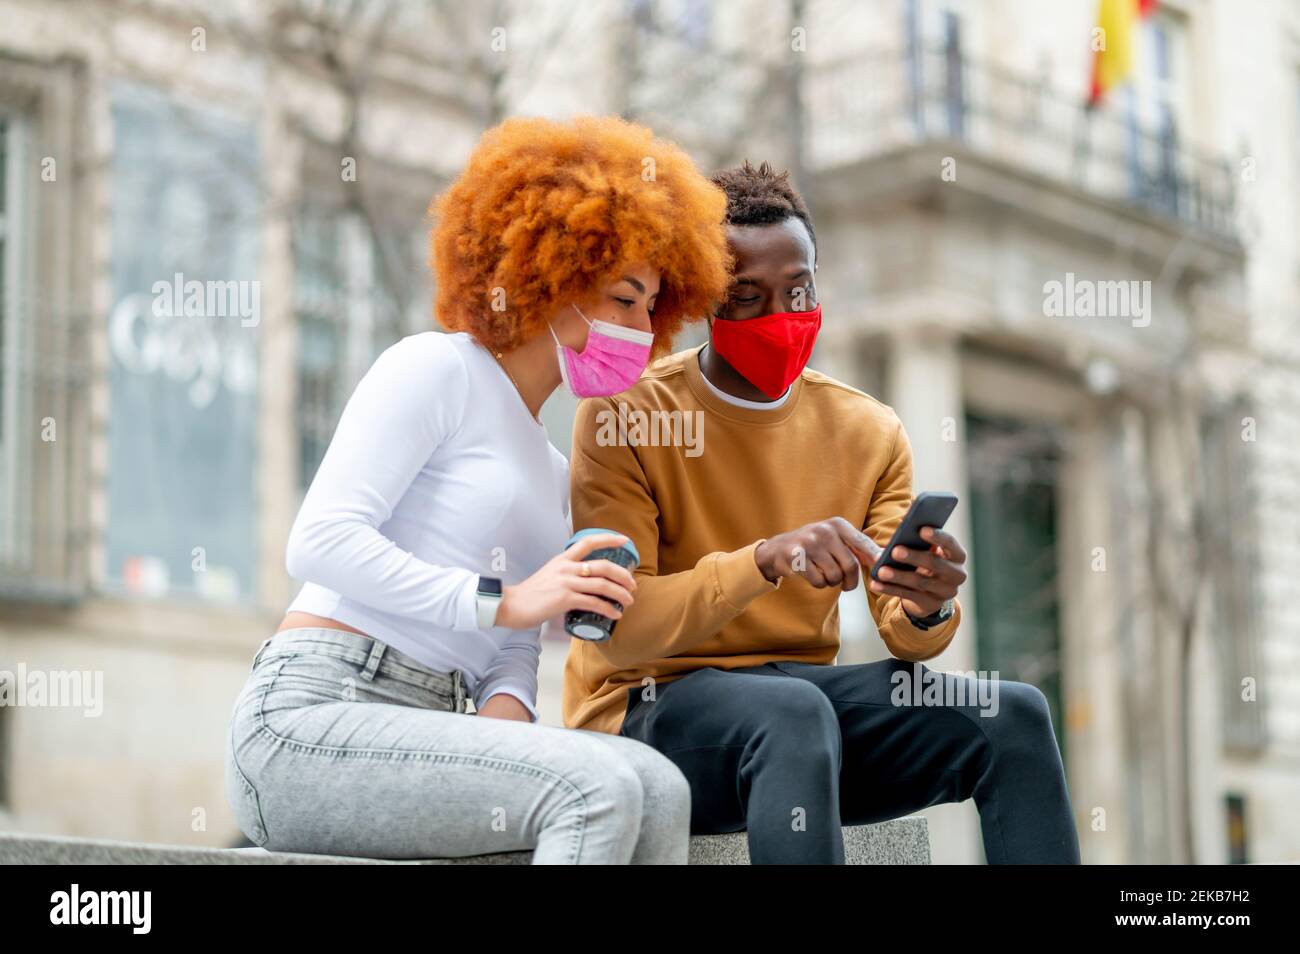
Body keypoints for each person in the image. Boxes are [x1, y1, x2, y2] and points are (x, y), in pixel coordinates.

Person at [224, 116, 731, 864]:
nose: (642, 326)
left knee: (657, 788)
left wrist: (512, 752)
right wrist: (505, 598)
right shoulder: (436, 369)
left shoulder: (557, 472)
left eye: (654, 308)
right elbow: (321, 541)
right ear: (553, 277)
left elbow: (508, 660)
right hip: (312, 712)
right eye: (625, 298)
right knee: (598, 788)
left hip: (434, 725)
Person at [563, 160, 1081, 864]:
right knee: (792, 713)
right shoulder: (626, 413)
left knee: (1013, 714)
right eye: (746, 297)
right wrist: (764, 560)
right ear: (703, 302)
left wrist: (925, 605)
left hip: (802, 715)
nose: (779, 317)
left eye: (798, 290)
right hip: (649, 710)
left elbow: (907, 634)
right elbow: (621, 634)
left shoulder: (867, 429)